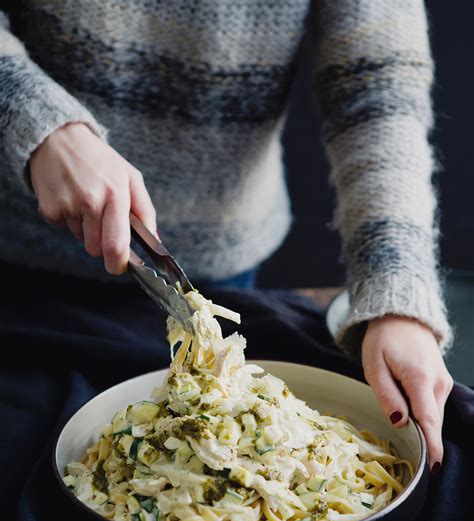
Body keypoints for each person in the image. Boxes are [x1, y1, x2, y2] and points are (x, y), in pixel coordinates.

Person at [0, 0, 453, 472]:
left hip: (220, 268)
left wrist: (396, 289)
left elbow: (378, 89)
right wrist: (38, 122)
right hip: (14, 263)